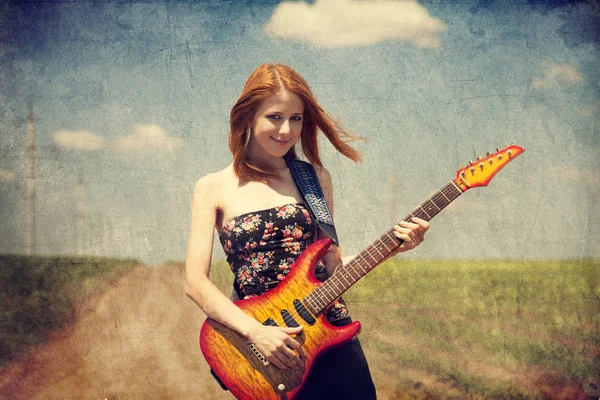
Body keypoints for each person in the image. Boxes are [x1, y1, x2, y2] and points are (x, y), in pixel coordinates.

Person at [185, 63, 429, 399]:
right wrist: (257, 333)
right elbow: (195, 283)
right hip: (267, 351)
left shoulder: (315, 179)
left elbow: (331, 268)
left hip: (330, 339)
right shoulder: (212, 187)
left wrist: (395, 246)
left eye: (295, 119)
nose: (286, 130)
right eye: (274, 117)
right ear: (248, 116)